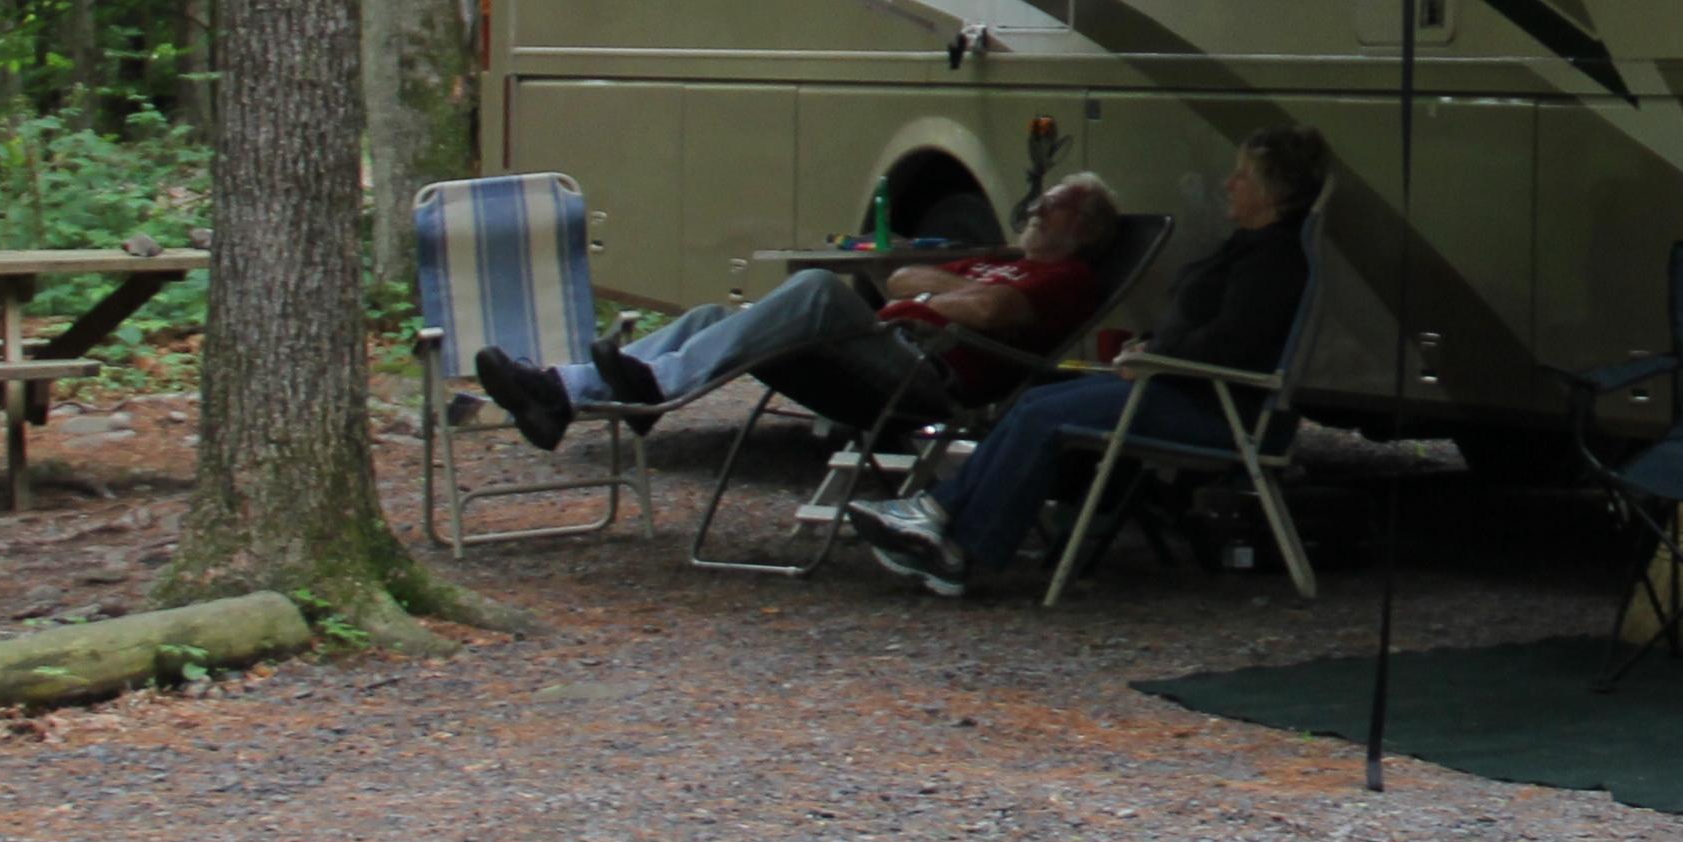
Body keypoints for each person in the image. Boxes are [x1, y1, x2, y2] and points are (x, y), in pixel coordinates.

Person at [844, 126, 1324, 597]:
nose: (1229, 183)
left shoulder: (1273, 259)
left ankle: (954, 540)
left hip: (1219, 407)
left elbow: (1231, 345)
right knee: (1036, 399)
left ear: (1273, 191)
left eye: (1242, 175)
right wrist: (1150, 344)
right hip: (1186, 386)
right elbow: (1213, 332)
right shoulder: (1251, 247)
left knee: (1043, 413)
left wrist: (1156, 355)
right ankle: (940, 527)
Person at [470, 174, 1121, 451]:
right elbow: (900, 273)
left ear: (1085, 226)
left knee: (815, 288)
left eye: (1055, 202)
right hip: (893, 348)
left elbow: (996, 310)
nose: (1037, 206)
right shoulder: (998, 259)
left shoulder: (1069, 276)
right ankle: (562, 390)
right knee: (703, 317)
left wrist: (930, 301)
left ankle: (652, 388)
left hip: (928, 380)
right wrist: (932, 295)